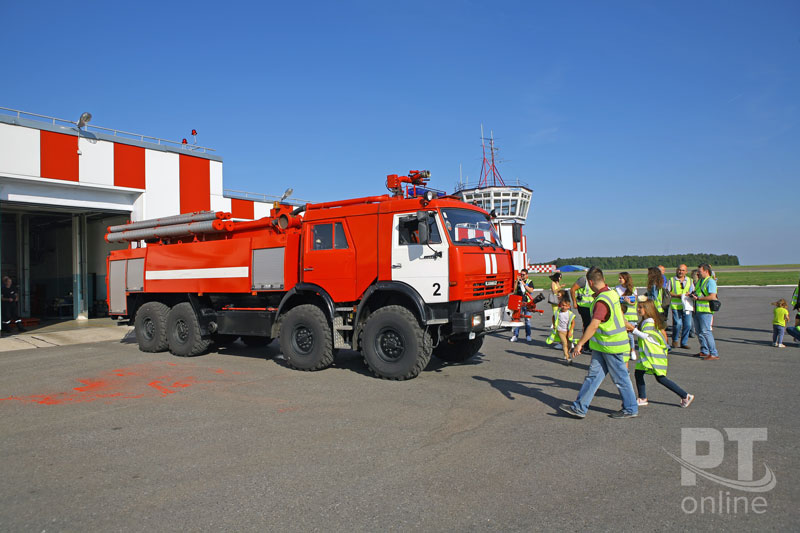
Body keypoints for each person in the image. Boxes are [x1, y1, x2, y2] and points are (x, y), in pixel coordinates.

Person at [559, 268, 638, 419]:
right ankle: (579, 407)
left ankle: (630, 408)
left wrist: (580, 343)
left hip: (611, 346)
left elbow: (594, 325)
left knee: (621, 378)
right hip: (602, 346)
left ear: (590, 282)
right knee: (593, 377)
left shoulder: (602, 301)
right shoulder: (612, 293)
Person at [627, 299, 695, 408]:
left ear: (648, 309)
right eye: (638, 307)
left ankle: (685, 395)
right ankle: (642, 398)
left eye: (641, 307)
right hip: (648, 355)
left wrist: (632, 329)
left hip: (653, 356)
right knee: (639, 373)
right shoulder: (647, 321)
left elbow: (645, 336)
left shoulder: (649, 321)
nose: (638, 309)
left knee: (661, 378)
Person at [691, 263, 719, 360]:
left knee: (706, 332)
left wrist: (698, 299)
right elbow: (697, 292)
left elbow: (712, 296)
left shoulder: (710, 281)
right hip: (697, 309)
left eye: (700, 271)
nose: (698, 273)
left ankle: (714, 353)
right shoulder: (700, 281)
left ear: (706, 271)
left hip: (706, 310)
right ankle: (704, 351)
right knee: (699, 332)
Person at [569, 268, 597, 353]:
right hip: (583, 306)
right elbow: (572, 289)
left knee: (590, 324)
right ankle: (586, 346)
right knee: (588, 325)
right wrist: (574, 302)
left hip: (591, 306)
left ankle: (588, 344)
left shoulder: (595, 280)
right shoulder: (583, 280)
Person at [668, 264, 694, 349]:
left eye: (683, 270)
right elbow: (667, 292)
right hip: (676, 306)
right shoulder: (672, 280)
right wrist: (676, 295)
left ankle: (684, 342)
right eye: (679, 270)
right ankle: (675, 339)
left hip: (686, 306)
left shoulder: (690, 280)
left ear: (686, 272)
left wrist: (689, 295)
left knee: (687, 324)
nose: (681, 272)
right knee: (678, 324)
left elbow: (693, 291)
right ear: (676, 270)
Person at [615, 272, 639, 362]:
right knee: (623, 334)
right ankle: (625, 351)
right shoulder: (616, 289)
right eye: (619, 278)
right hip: (621, 315)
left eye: (621, 278)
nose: (619, 280)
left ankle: (632, 350)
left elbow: (635, 302)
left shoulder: (633, 289)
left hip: (631, 316)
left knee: (630, 334)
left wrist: (629, 302)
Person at [546, 297, 575, 363]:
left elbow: (573, 323)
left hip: (568, 331)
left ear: (568, 306)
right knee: (564, 343)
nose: (563, 307)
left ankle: (567, 352)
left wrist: (570, 331)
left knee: (569, 344)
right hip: (560, 331)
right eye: (562, 305)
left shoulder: (570, 314)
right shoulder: (557, 313)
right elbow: (553, 317)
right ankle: (568, 357)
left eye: (565, 306)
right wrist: (554, 325)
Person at [510, 269, 535, 342]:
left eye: (523, 274)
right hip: (518, 303)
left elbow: (531, 290)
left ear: (527, 275)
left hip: (527, 303)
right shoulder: (518, 282)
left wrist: (524, 284)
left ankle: (528, 335)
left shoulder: (529, 282)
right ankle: (515, 335)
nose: (522, 276)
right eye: (521, 274)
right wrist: (517, 282)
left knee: (527, 320)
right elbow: (514, 290)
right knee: (516, 319)